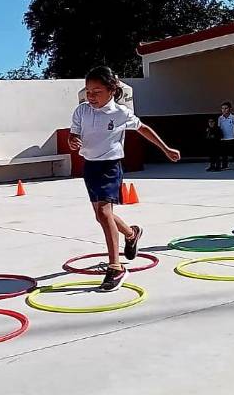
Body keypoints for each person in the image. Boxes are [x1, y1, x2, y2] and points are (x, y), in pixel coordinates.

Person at [69, 66, 180, 291]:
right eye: (88, 91)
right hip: (90, 166)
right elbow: (75, 134)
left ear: (111, 90)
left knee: (103, 213)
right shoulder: (81, 111)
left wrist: (166, 148)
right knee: (102, 216)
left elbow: (143, 129)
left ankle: (116, 267)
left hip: (110, 165)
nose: (91, 96)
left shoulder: (120, 113)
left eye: (97, 91)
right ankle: (132, 233)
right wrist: (73, 141)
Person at [218, 101, 234, 170]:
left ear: (229, 109)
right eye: (222, 108)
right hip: (223, 138)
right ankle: (225, 165)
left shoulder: (232, 117)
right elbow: (219, 127)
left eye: (226, 108)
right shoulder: (220, 118)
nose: (224, 110)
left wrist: (233, 132)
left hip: (232, 137)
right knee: (224, 153)